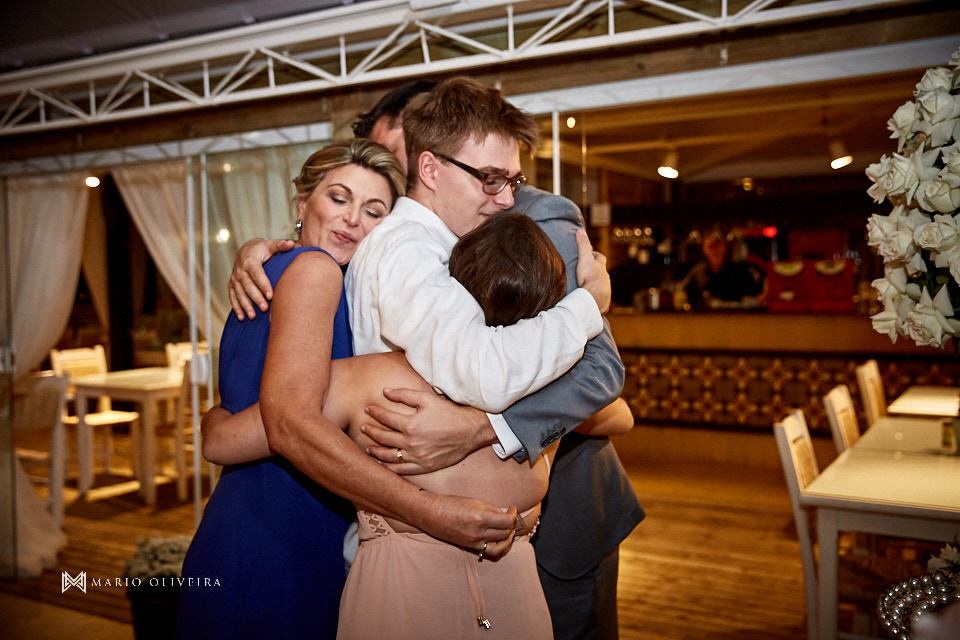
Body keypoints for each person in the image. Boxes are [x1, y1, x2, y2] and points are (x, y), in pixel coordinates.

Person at [230, 78, 644, 640]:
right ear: (429, 168)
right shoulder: (407, 248)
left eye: (512, 180)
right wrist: (588, 304)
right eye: (490, 178)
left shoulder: (446, 239)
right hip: (426, 547)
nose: (507, 198)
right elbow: (486, 374)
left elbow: (591, 373)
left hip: (483, 545)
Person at [176, 139, 515, 640]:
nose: (353, 219)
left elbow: (233, 421)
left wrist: (217, 424)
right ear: (302, 204)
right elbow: (282, 425)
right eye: (338, 198)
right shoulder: (315, 272)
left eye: (373, 211)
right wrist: (429, 511)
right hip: (277, 537)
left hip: (249, 522)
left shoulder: (278, 270)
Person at [681, 227, 765, 309]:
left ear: (725, 246)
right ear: (704, 249)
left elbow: (758, 299)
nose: (715, 251)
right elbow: (683, 296)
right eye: (711, 246)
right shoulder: (698, 272)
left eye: (718, 246)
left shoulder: (741, 272)